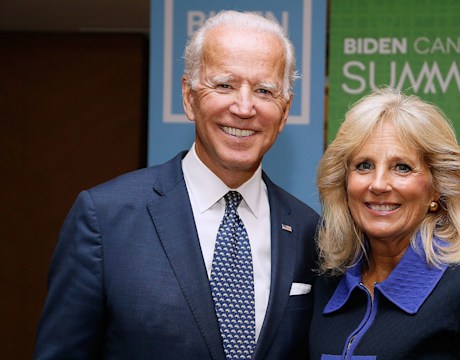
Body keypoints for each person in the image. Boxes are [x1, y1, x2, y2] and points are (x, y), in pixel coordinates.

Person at [34, 10, 319, 360]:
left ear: (285, 110)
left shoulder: (309, 232)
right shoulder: (104, 219)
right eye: (225, 85)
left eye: (264, 90)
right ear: (189, 96)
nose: (244, 108)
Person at [309, 88, 460, 359]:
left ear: (437, 188)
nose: (378, 184)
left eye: (402, 167)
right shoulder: (328, 282)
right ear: (344, 183)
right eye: (364, 165)